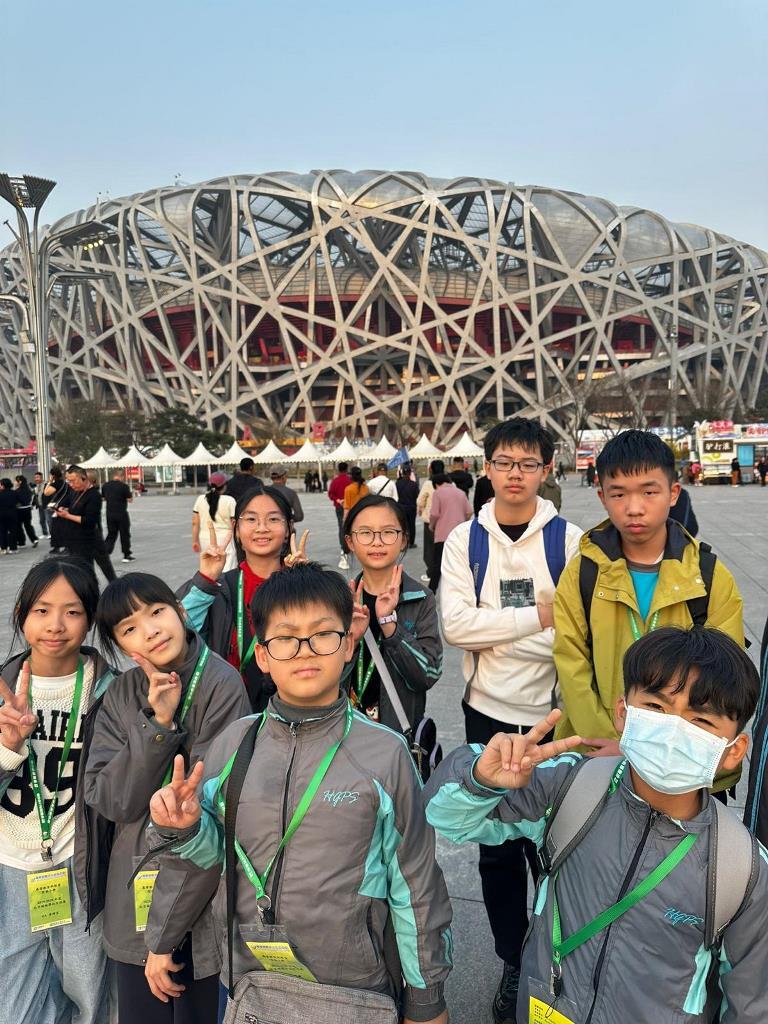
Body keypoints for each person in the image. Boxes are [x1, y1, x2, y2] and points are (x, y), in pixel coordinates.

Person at [144, 562, 452, 1024]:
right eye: (286, 638)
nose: (305, 651)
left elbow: (416, 885)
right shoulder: (234, 743)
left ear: (348, 645)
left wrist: (427, 1000)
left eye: (323, 634)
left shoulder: (384, 754)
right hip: (249, 981)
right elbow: (211, 857)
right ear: (263, 656)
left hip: (352, 988)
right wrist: (184, 832)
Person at [425, 625, 767, 1024]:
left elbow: (751, 1005)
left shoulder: (742, 869)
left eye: (700, 721)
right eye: (656, 707)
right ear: (623, 713)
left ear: (734, 750)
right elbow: (446, 817)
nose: (674, 732)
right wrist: (481, 780)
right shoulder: (570, 785)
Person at [437, 417, 582, 1023]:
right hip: (486, 715)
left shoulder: (569, 540)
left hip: (555, 715)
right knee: (496, 855)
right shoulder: (465, 541)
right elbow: (455, 627)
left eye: (527, 463)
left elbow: (574, 634)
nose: (515, 474)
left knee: (557, 849)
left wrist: (494, 627)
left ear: (546, 470)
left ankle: (557, 961)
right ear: (487, 467)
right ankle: (511, 962)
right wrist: (536, 620)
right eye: (504, 462)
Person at [85, 572, 250, 1024]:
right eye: (130, 628)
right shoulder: (122, 693)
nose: (150, 630)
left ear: (180, 611)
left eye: (157, 612)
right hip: (135, 889)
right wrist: (157, 725)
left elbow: (210, 808)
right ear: (120, 646)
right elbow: (111, 800)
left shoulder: (222, 683)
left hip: (201, 891)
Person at [553, 430, 744, 801]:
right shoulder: (582, 573)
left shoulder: (708, 575)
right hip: (602, 754)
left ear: (673, 493)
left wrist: (654, 750)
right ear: (602, 496)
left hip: (684, 764)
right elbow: (570, 663)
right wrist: (613, 743)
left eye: (649, 492)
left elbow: (725, 678)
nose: (634, 507)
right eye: (619, 494)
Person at [0, 556, 116, 1024]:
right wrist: (8, 749)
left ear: (90, 619)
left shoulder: (112, 693)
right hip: (10, 865)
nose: (55, 625)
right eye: (42, 610)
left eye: (72, 612)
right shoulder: (3, 690)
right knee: (15, 1006)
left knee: (90, 997)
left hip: (79, 865)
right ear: (22, 615)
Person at [178, 486, 307, 711]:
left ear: (288, 529)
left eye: (273, 519)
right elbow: (178, 635)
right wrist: (205, 580)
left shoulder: (304, 586)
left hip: (294, 709)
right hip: (227, 710)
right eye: (251, 519)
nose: (262, 528)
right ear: (237, 530)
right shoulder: (218, 588)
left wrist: (307, 584)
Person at [344, 495, 442, 730]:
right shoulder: (340, 601)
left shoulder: (420, 598)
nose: (377, 542)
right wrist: (351, 643)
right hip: (343, 732)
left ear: (404, 540)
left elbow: (428, 673)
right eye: (365, 533)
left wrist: (390, 626)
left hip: (397, 733)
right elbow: (323, 674)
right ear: (350, 541)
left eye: (388, 532)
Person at [55, 466, 116, 583]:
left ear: (84, 478)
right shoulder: (75, 492)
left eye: (73, 481)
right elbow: (69, 505)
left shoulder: (94, 495)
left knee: (105, 568)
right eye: (68, 481)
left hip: (90, 538)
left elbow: (89, 520)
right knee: (83, 570)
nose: (70, 484)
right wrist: (63, 508)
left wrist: (67, 515)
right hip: (76, 539)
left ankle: (115, 588)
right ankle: (90, 589)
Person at [427, 474, 472, 593]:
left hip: (443, 534)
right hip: (460, 535)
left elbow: (435, 514)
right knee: (460, 564)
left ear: (436, 484)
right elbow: (469, 512)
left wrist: (431, 526)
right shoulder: (461, 493)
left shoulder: (438, 493)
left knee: (438, 564)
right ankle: (461, 591)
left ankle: (432, 590)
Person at [192, 472, 236, 572]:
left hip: (205, 538)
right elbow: (234, 523)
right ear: (224, 485)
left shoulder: (200, 499)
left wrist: (195, 541)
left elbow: (195, 522)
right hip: (226, 539)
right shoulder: (230, 500)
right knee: (227, 568)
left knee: (210, 566)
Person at [416, 460, 444, 584]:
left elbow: (420, 500)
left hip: (430, 520)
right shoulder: (449, 483)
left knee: (430, 548)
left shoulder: (428, 483)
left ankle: (431, 572)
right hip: (445, 520)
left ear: (431, 469)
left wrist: (420, 509)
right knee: (443, 546)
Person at [102, 469, 135, 563]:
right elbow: (130, 500)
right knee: (124, 534)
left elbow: (103, 498)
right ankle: (126, 555)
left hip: (110, 513)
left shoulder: (106, 485)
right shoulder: (124, 486)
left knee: (111, 534)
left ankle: (105, 553)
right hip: (121, 513)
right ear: (122, 476)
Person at [328, 461, 352, 569]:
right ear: (347, 469)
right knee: (351, 527)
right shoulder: (350, 480)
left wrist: (338, 500)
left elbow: (330, 493)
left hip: (339, 506)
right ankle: (350, 545)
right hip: (350, 507)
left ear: (338, 469)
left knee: (341, 527)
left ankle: (343, 547)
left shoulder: (335, 481)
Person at [43, 466, 69, 553]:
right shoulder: (65, 483)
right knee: (62, 527)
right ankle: (64, 546)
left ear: (53, 475)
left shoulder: (57, 483)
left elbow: (46, 493)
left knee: (56, 528)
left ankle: (58, 546)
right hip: (65, 506)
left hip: (58, 507)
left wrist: (49, 482)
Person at [395, 462, 419, 547]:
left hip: (401, 507)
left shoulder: (398, 483)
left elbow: (396, 495)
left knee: (403, 526)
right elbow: (417, 495)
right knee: (412, 525)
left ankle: (403, 542)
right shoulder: (414, 484)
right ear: (409, 473)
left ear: (402, 473)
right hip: (412, 507)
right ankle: (411, 542)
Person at [14, 476, 39, 548]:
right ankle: (34, 539)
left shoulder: (17, 491)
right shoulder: (29, 490)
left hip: (19, 510)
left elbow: (16, 502)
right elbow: (32, 499)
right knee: (28, 525)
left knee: (19, 526)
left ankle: (21, 542)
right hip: (28, 510)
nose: (15, 482)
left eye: (15, 481)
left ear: (20, 481)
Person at [0, 478, 19, 555]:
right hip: (12, 514)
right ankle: (13, 548)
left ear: (3, 485)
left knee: (2, 532)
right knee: (12, 531)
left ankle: (3, 548)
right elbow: (21, 501)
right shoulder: (14, 493)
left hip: (1, 515)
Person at [32, 471, 49, 538]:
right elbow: (36, 496)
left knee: (49, 520)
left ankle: (52, 534)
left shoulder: (46, 484)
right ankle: (45, 533)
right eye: (35, 477)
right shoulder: (36, 486)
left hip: (46, 505)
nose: (36, 479)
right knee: (41, 521)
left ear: (41, 477)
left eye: (37, 477)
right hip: (40, 505)